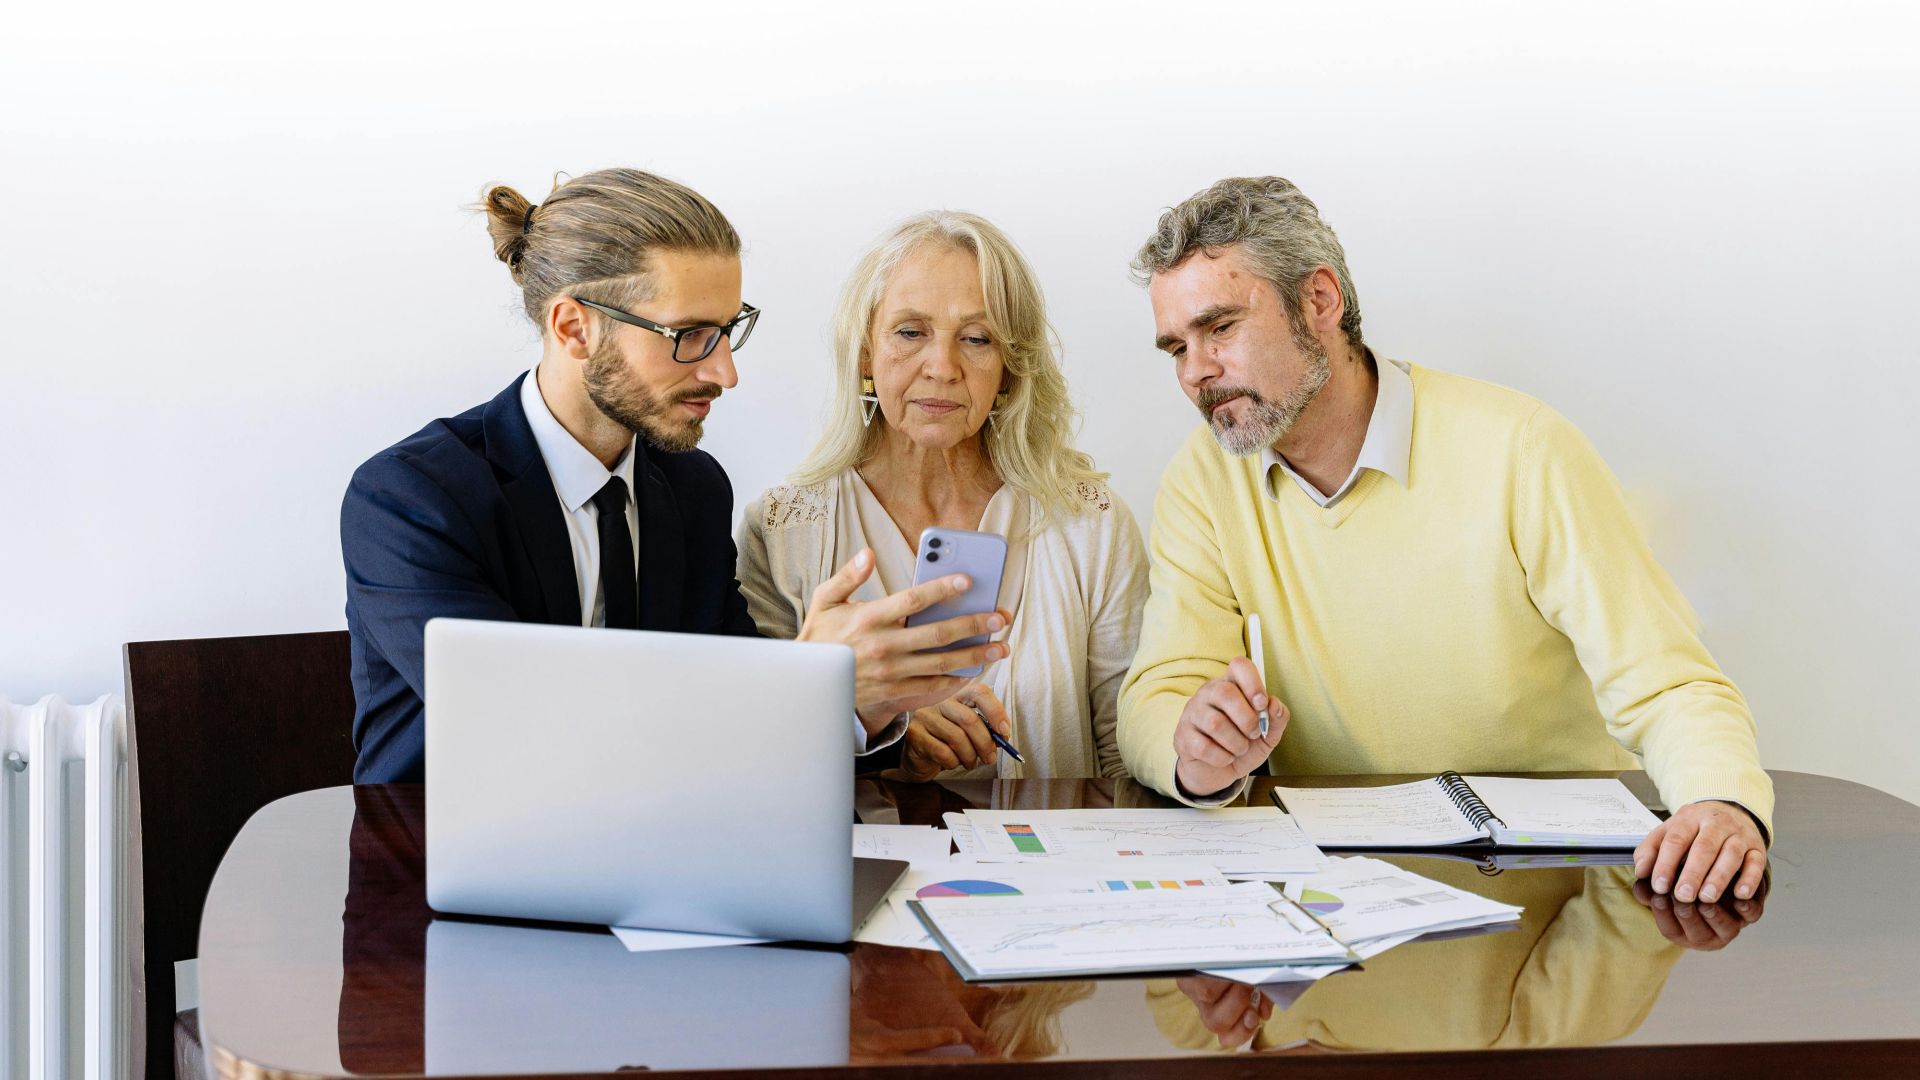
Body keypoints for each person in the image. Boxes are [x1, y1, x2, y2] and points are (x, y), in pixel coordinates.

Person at [1116, 176, 1773, 907]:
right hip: (1330, 911)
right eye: (1176, 346)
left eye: (1220, 328)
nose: (1196, 372)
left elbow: (1669, 682)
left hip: (1549, 890)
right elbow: (1158, 693)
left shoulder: (1522, 449)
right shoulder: (1203, 479)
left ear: (1320, 301)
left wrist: (1721, 803)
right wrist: (1194, 747)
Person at [341, 169, 1011, 783]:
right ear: (574, 328)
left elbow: (742, 731)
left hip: (661, 867)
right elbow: (532, 734)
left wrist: (869, 701)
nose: (725, 372)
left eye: (727, 330)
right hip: (439, 881)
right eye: (689, 335)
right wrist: (811, 678)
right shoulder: (411, 500)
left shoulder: (691, 491)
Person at [737, 212, 1148, 780]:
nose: (942, 367)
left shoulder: (1089, 524)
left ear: (1008, 368)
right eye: (910, 332)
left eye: (977, 339)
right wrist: (875, 717)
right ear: (864, 353)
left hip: (1053, 862)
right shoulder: (784, 530)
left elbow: (1126, 755)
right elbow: (759, 761)